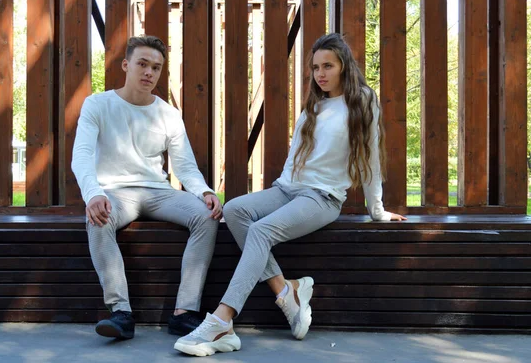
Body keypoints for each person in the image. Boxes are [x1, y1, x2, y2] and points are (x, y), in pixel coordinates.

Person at [174, 33, 407, 356]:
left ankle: (222, 320)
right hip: (289, 189)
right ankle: (287, 290)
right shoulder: (315, 103)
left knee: (260, 231)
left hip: (322, 198)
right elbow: (296, 154)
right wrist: (279, 188)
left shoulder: (363, 101)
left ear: (344, 67)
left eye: (328, 66)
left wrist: (377, 210)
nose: (320, 74)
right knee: (238, 210)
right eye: (315, 67)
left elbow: (370, 158)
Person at [72, 35, 222, 340]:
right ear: (126, 65)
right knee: (98, 220)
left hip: (158, 192)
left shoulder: (168, 114)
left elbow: (185, 167)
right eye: (142, 64)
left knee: (207, 217)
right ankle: (120, 314)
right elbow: (82, 157)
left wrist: (205, 192)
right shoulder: (97, 105)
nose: (149, 72)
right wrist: (94, 194)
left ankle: (184, 313)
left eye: (156, 67)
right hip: (114, 192)